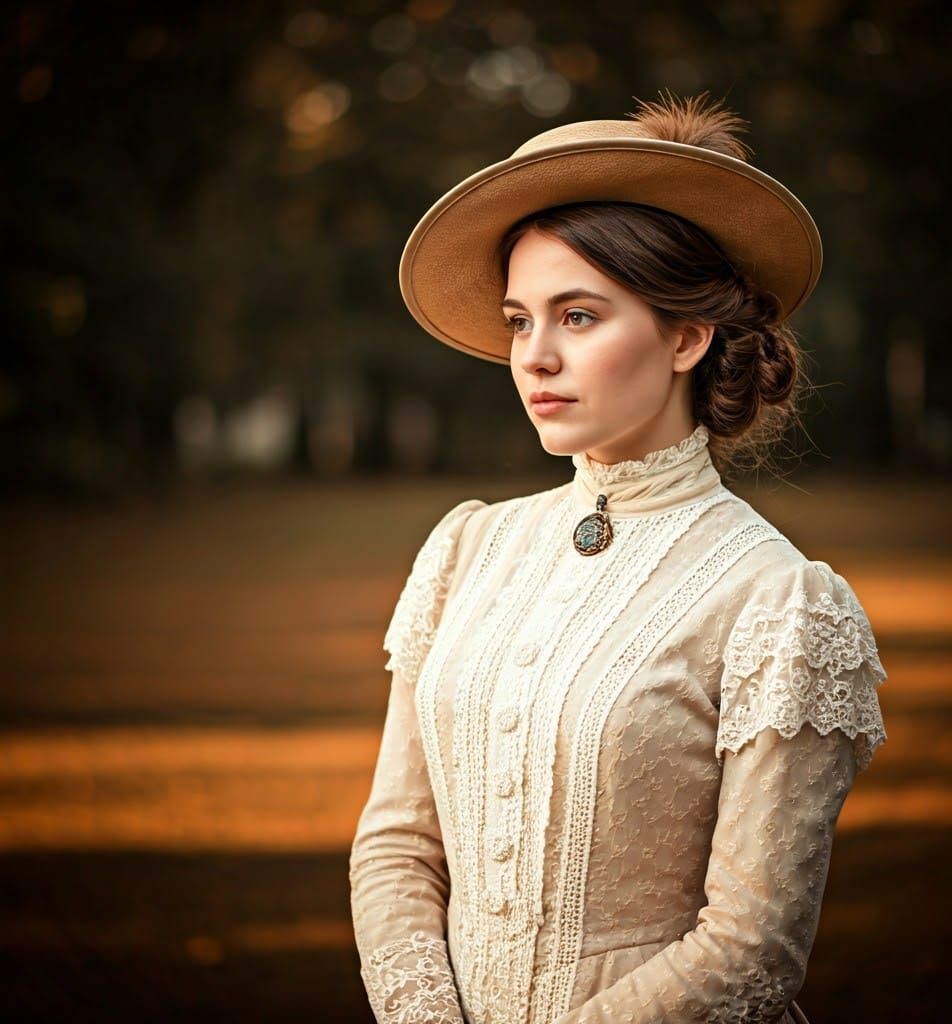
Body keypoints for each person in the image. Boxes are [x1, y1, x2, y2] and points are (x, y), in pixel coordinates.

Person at [348, 90, 887, 1024]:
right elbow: (398, 843)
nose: (535, 357)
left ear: (685, 335)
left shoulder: (780, 601)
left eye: (579, 316)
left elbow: (752, 950)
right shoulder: (467, 548)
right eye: (520, 321)